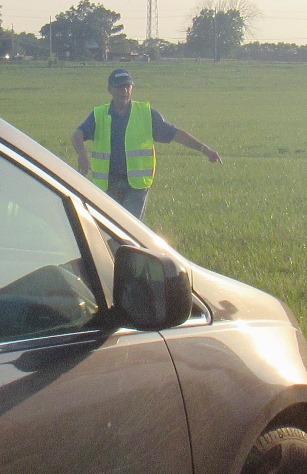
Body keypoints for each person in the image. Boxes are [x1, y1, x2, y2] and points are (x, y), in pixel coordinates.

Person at [72, 68, 222, 220]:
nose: (124, 91)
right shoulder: (99, 114)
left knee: (129, 229)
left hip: (136, 187)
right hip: (108, 184)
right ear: (109, 89)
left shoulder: (145, 113)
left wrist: (204, 149)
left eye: (127, 86)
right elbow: (77, 134)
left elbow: (175, 134)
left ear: (132, 88)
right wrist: (82, 154)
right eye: (119, 87)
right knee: (107, 228)